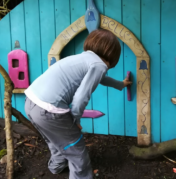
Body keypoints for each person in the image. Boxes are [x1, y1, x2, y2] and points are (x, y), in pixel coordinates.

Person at [24, 29, 132, 179]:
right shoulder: (98, 65)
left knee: (55, 139)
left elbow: (102, 79)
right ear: (113, 54)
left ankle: (56, 166)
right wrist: (75, 120)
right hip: (50, 110)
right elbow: (81, 97)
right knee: (77, 151)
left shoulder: (84, 59)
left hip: (31, 102)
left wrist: (121, 84)